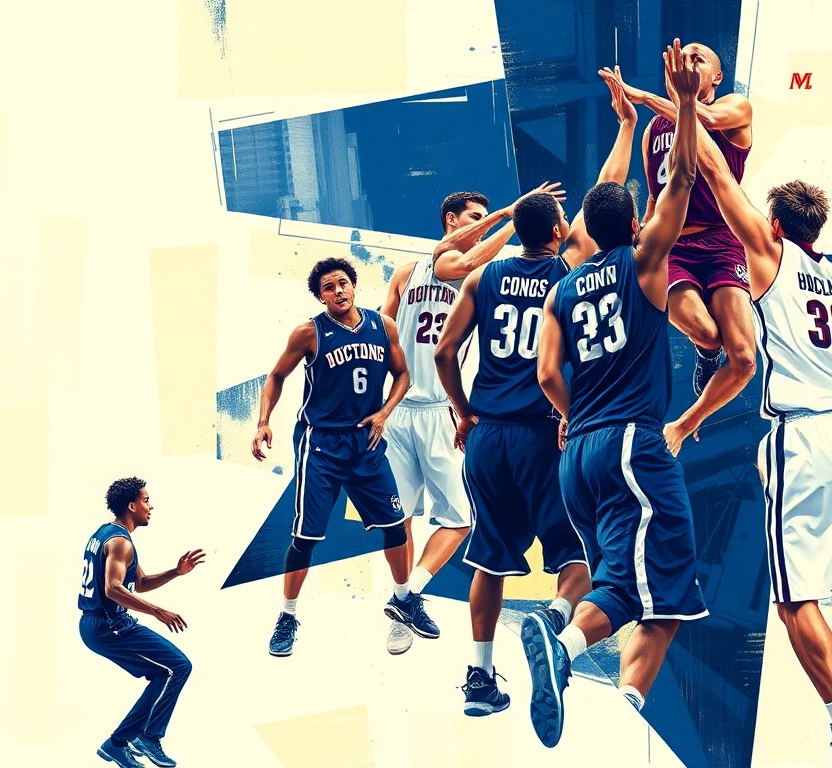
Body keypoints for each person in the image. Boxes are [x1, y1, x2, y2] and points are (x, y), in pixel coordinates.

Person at [682, 113, 832, 767]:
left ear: (777, 226)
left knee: (794, 600)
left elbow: (718, 176)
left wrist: (685, 106)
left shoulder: (769, 254)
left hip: (808, 436)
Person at [433, 71, 640, 716]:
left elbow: (443, 352)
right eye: (563, 220)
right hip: (543, 433)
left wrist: (463, 412)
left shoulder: (484, 277)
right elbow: (606, 194)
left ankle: (478, 677)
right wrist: (627, 126)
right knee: (577, 559)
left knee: (489, 563)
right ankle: (551, 624)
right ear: (556, 231)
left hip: (486, 436)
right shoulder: (568, 269)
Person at [521, 40, 704, 749]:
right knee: (639, 586)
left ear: (582, 232)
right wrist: (682, 102)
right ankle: (561, 645)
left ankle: (623, 704)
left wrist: (573, 417)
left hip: (579, 457)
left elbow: (547, 375)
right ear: (634, 226)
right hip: (633, 443)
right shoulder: (646, 259)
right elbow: (682, 177)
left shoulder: (563, 286)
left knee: (666, 596)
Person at [378, 182, 559, 653]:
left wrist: (509, 218)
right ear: (451, 220)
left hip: (441, 408)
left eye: (485, 216)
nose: (482, 223)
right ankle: (404, 604)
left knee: (459, 518)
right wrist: (511, 214)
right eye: (474, 216)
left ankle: (406, 596)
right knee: (399, 519)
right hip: (400, 411)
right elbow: (383, 331)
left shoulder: (476, 272)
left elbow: (470, 263)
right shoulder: (412, 271)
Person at [251, 257, 436, 657]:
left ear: (353, 286)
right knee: (305, 538)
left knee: (395, 527)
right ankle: (287, 616)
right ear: (321, 297)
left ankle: (404, 599)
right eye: (328, 288)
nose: (338, 291)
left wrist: (384, 413)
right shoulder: (309, 332)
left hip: (366, 442)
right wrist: (263, 421)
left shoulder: (383, 326)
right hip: (321, 444)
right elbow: (276, 376)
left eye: (342, 284)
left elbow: (403, 374)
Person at [602, 41, 757, 437]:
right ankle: (706, 354)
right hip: (674, 247)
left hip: (722, 242)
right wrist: (642, 240)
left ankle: (692, 418)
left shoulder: (736, 107)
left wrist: (648, 97)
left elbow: (703, 116)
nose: (687, 62)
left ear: (717, 76)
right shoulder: (654, 129)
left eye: (697, 58)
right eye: (682, 57)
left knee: (744, 356)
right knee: (707, 333)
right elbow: (655, 195)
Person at [78, 477, 204, 768]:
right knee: (178, 666)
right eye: (146, 501)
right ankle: (145, 737)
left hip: (99, 624)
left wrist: (176, 571)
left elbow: (141, 583)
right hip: (109, 625)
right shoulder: (121, 543)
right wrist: (158, 611)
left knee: (165, 672)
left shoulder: (108, 534)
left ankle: (119, 743)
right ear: (132, 506)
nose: (151, 506)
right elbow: (113, 588)